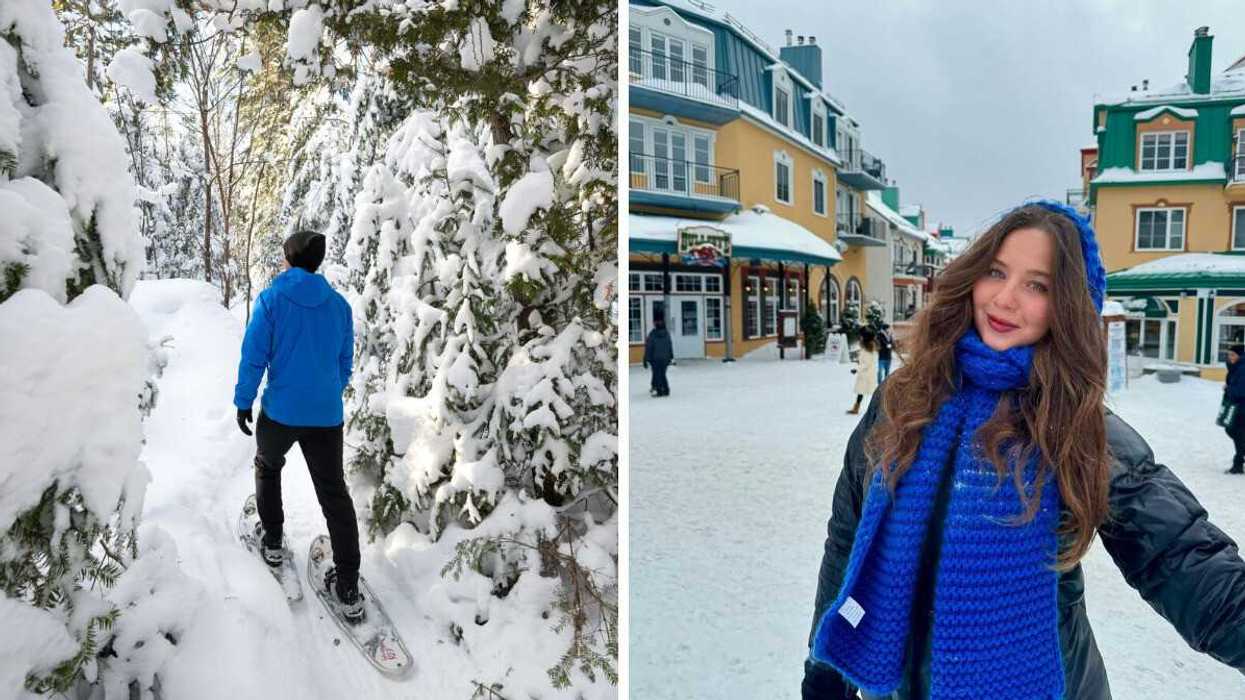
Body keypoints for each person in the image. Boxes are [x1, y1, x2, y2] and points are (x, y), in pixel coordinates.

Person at [802, 201, 1245, 699]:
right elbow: (846, 540)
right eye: (996, 272)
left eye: (1038, 285)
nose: (1005, 299)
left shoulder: (1077, 428)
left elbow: (1182, 559)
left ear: (1068, 307)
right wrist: (823, 673)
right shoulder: (902, 403)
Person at [234, 230, 364, 623]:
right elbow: (344, 363)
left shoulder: (272, 300)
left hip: (280, 414)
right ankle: (348, 586)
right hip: (326, 417)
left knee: (268, 467)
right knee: (334, 495)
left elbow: (254, 355)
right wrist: (324, 393)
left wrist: (244, 401)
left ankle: (273, 541)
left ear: (290, 259)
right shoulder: (339, 306)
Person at [1225, 343, 1245, 474]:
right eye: (1229, 355)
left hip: (1242, 406)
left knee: (1235, 431)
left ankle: (1238, 464)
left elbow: (1241, 390)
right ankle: (1238, 462)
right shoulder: (1236, 367)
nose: (1230, 357)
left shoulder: (1243, 369)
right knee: (1234, 431)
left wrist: (1229, 389)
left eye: (1232, 355)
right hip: (1237, 405)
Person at [847, 330, 878, 415]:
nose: (860, 338)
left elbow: (866, 364)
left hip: (866, 375)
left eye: (861, 337)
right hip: (867, 374)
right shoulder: (869, 348)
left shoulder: (868, 350)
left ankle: (857, 409)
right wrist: (858, 361)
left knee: (864, 392)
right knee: (862, 392)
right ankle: (856, 408)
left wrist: (856, 369)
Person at [643, 316, 673, 397]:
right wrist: (671, 357)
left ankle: (659, 391)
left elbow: (649, 347)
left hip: (655, 358)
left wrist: (645, 359)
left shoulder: (652, 334)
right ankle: (666, 390)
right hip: (665, 358)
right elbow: (670, 346)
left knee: (657, 374)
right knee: (662, 374)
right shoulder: (667, 334)